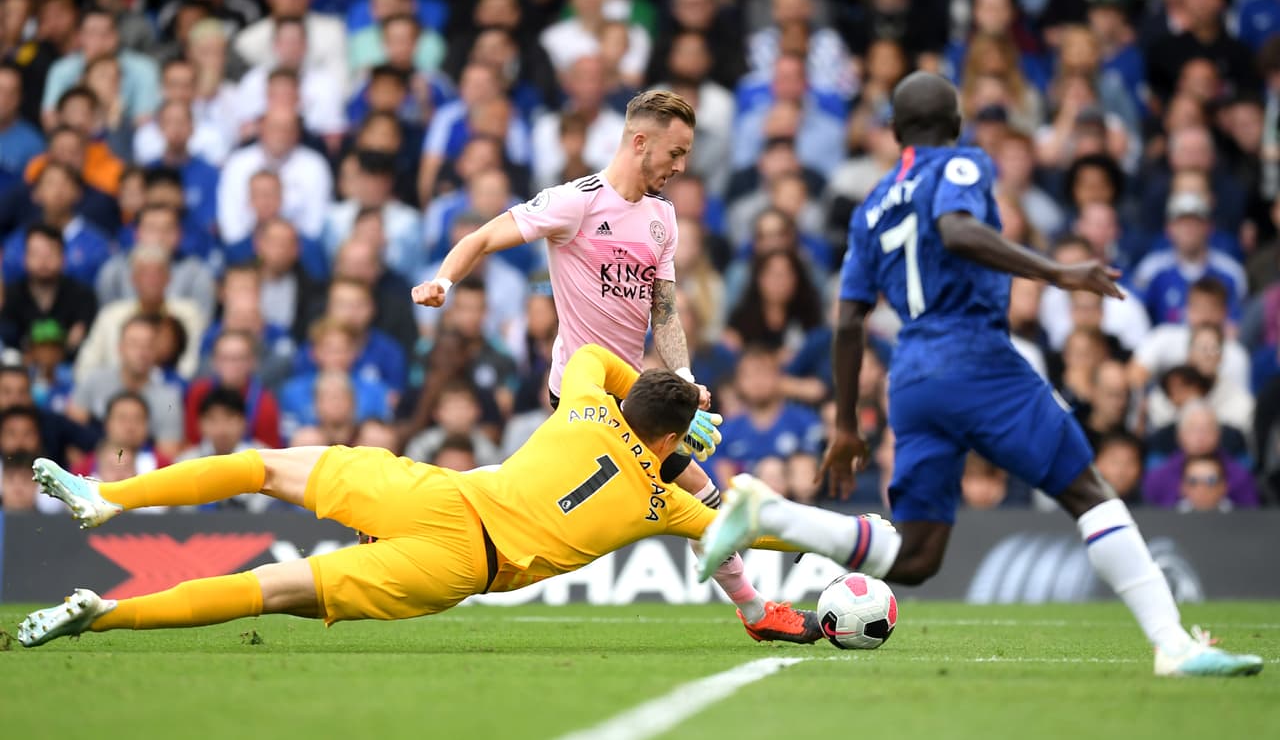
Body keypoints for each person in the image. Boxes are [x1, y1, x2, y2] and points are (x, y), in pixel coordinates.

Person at [697, 72, 1262, 678]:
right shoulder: (961, 165)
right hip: (975, 353)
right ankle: (1172, 643)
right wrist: (1060, 273)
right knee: (1087, 492)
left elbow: (848, 322)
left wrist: (843, 426)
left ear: (893, 131)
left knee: (915, 558)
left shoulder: (871, 208)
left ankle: (772, 514)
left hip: (911, 375)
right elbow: (957, 230)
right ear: (958, 127)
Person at [18, 344, 799, 648]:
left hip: (434, 494)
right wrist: (851, 536)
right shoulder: (661, 503)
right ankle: (104, 613)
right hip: (459, 563)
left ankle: (108, 495)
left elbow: (595, 352)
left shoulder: (590, 402)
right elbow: (750, 528)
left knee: (261, 467)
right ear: (676, 440)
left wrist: (678, 403)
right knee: (269, 589)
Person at [412, 89, 815, 643]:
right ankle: (760, 610)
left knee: (524, 489)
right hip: (580, 393)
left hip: (631, 398)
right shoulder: (574, 203)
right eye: (675, 154)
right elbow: (483, 236)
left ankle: (409, 513)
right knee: (690, 496)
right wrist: (443, 281)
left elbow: (665, 309)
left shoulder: (662, 219)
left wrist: (685, 380)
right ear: (640, 141)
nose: (681, 167)